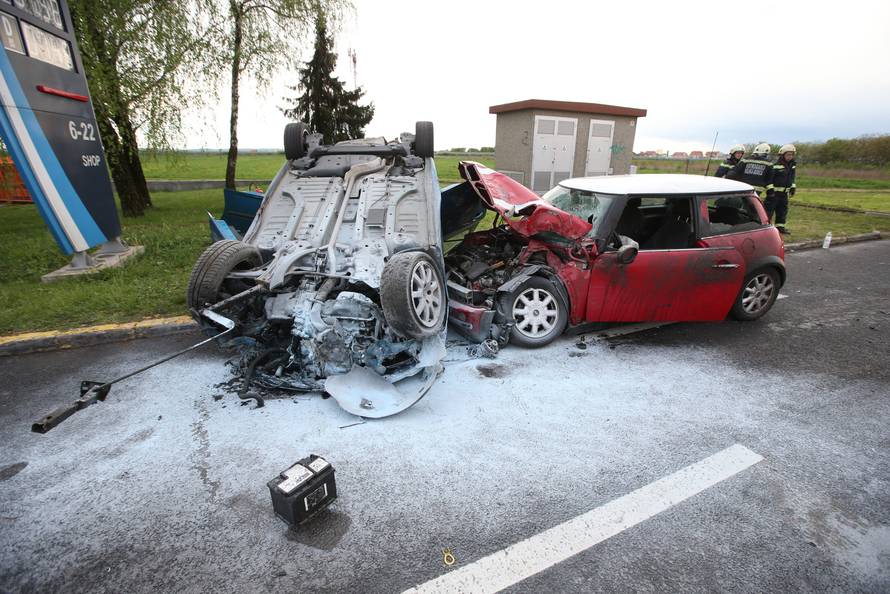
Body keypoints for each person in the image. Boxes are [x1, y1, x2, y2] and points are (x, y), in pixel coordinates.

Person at [765, 144, 796, 234]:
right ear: (782, 155)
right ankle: (766, 228)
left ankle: (780, 227)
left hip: (784, 194)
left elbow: (792, 177)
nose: (790, 157)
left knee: (782, 211)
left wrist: (792, 187)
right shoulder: (775, 165)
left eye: (791, 155)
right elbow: (769, 179)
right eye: (788, 155)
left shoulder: (792, 165)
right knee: (769, 211)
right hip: (774, 193)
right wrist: (770, 190)